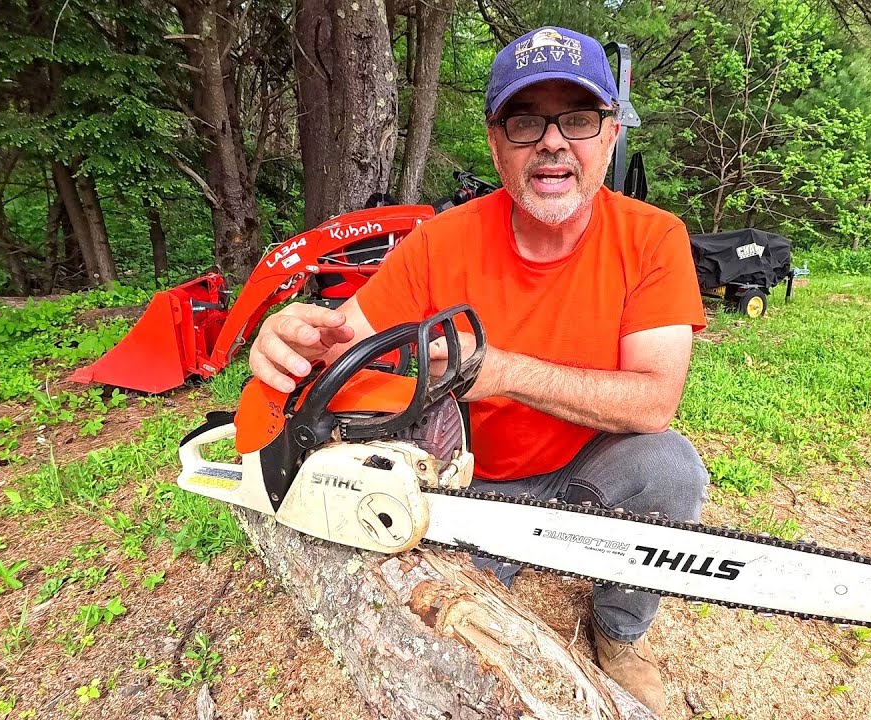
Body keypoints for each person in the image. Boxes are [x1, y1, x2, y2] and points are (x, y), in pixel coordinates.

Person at [247, 25, 709, 716]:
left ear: (609, 136)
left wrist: (507, 372)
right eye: (526, 123)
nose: (553, 142)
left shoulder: (653, 238)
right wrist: (290, 339)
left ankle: (616, 633)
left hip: (586, 468)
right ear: (497, 145)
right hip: (466, 487)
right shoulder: (443, 240)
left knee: (671, 468)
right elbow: (345, 342)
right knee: (426, 606)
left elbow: (652, 402)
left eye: (577, 119)